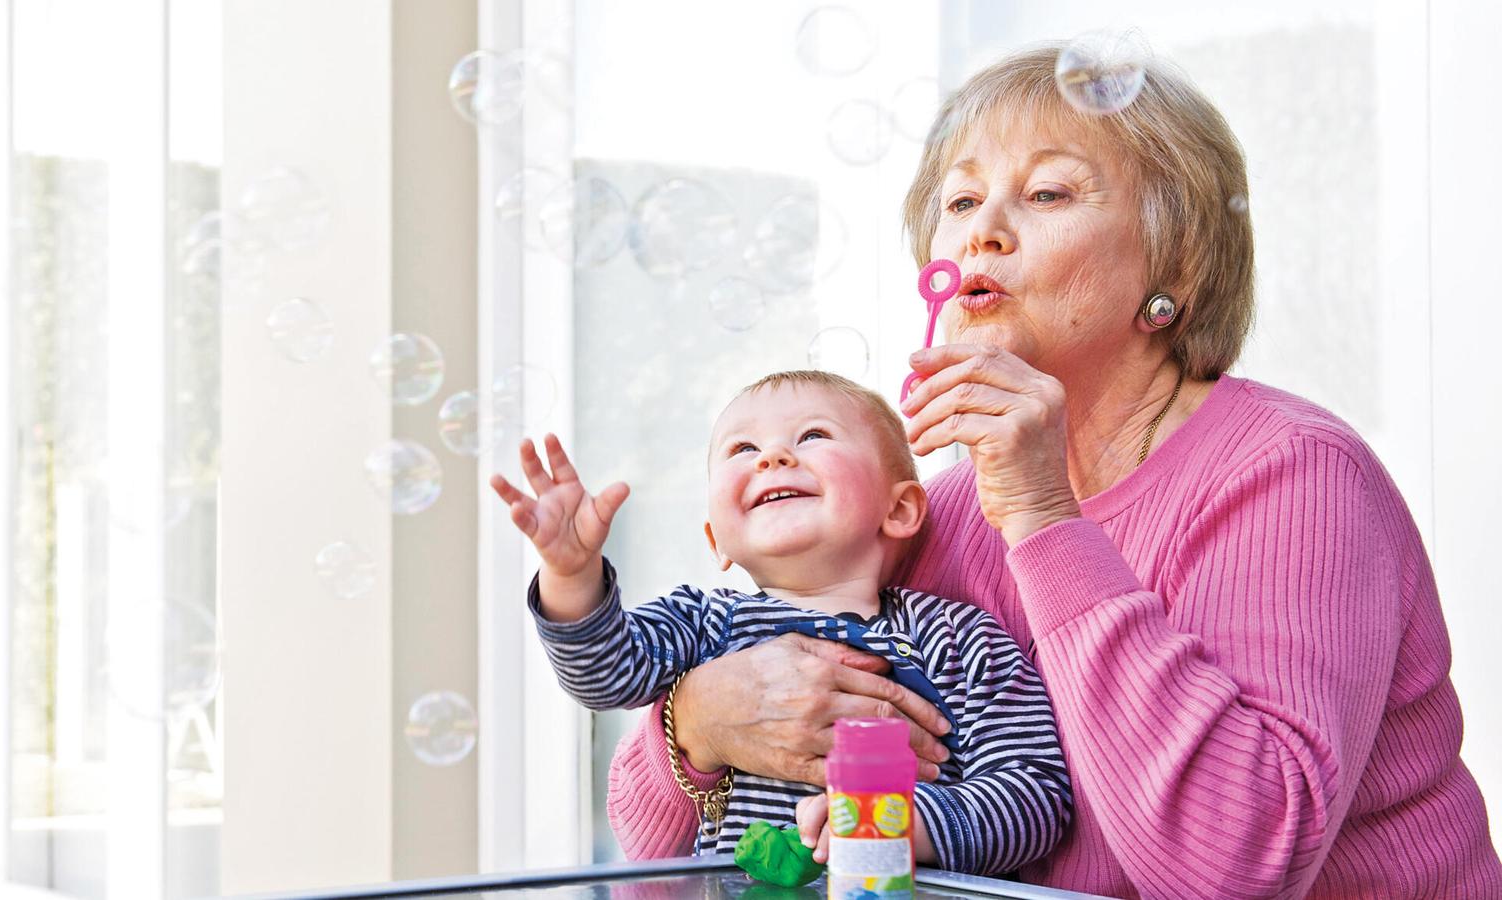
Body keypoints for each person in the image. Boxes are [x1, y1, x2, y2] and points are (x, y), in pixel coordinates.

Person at [602, 45, 1502, 898]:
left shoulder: (1292, 474)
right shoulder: (934, 511)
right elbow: (653, 855)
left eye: (1046, 193)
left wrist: (1041, 515)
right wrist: (697, 725)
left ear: (1175, 266)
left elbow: (1232, 873)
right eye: (959, 204)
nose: (983, 232)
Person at [488, 370, 1071, 874]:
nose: (772, 457)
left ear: (900, 509)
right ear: (718, 540)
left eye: (813, 436)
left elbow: (1036, 796)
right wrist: (571, 576)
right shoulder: (704, 623)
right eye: (742, 449)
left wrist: (903, 825)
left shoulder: (959, 638)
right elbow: (603, 677)